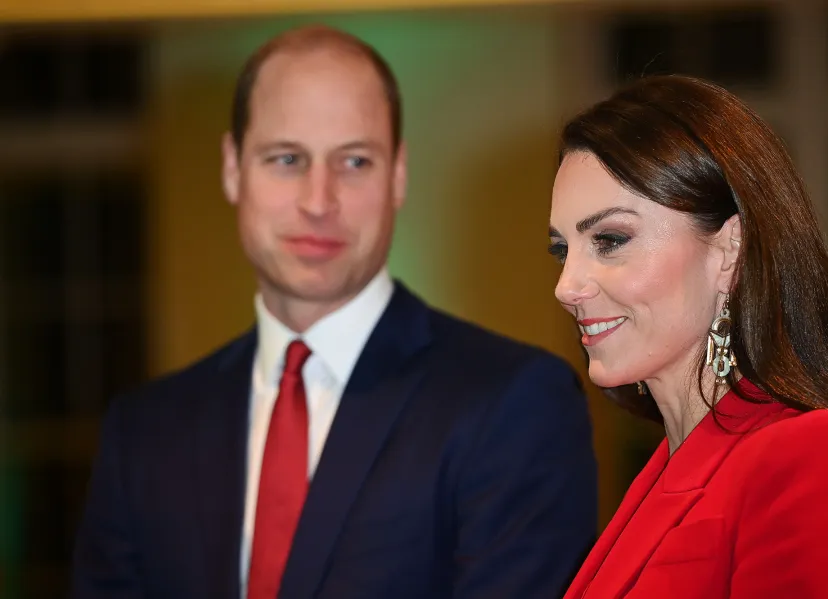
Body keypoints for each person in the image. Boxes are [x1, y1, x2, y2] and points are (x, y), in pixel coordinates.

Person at [71, 25, 598, 599]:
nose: (318, 201)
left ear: (397, 174)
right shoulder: (144, 433)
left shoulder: (513, 403)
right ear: (231, 168)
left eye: (353, 161)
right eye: (287, 158)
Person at [548, 74, 828, 598]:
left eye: (610, 240)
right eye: (562, 250)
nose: (566, 286)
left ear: (729, 249)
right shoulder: (662, 473)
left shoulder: (812, 452)